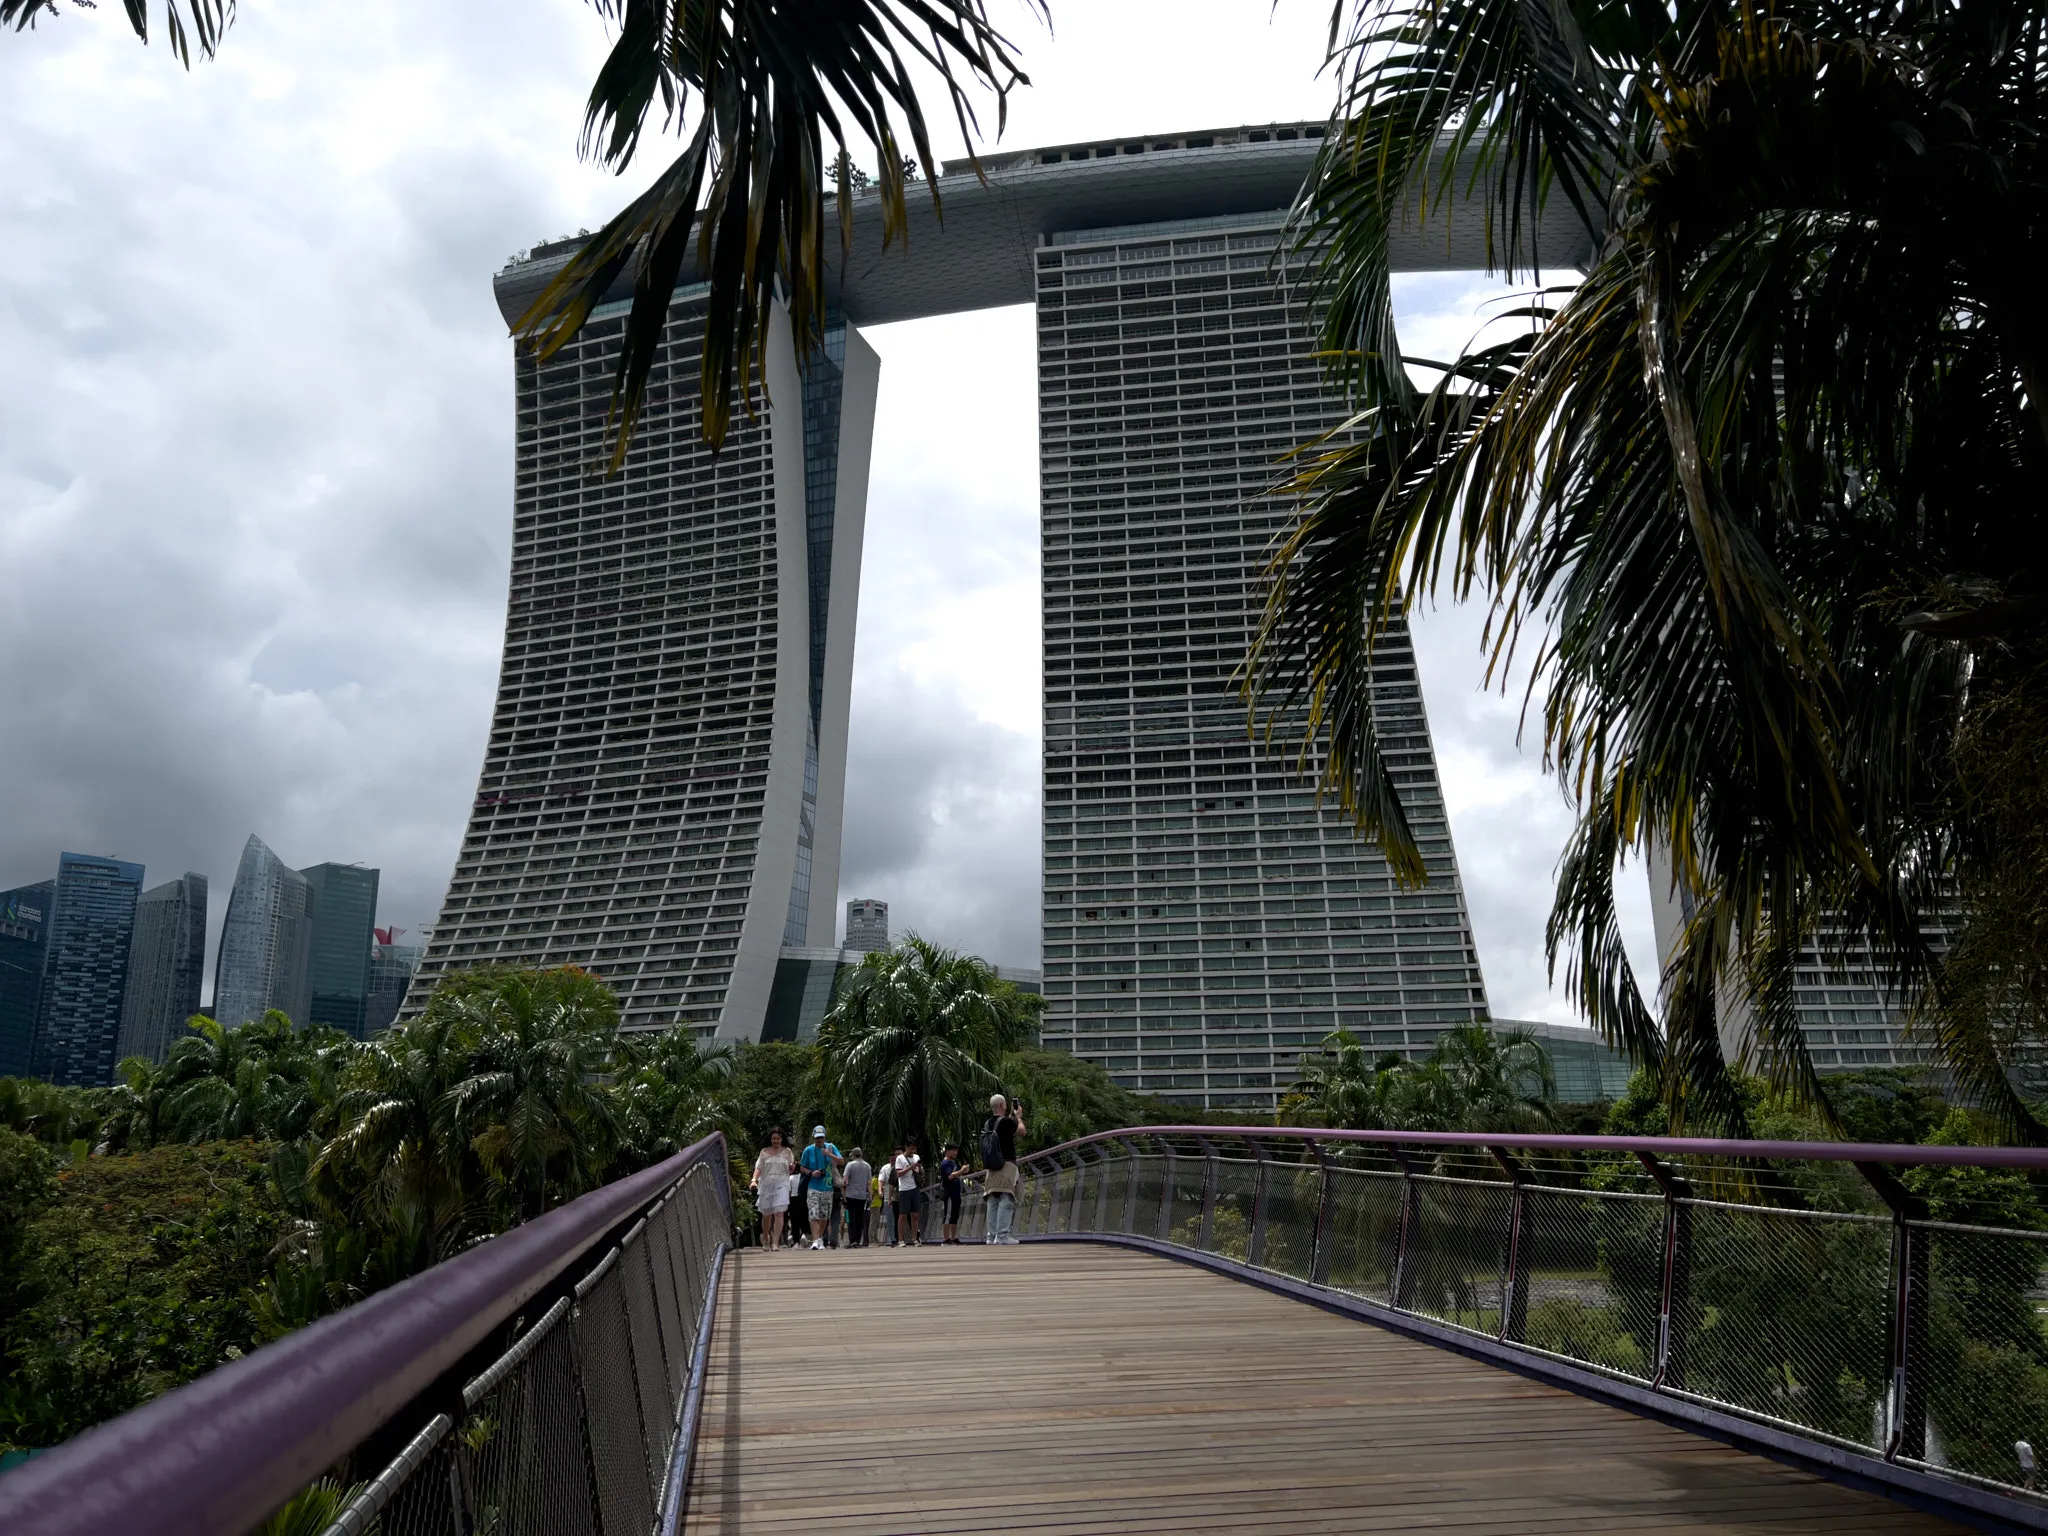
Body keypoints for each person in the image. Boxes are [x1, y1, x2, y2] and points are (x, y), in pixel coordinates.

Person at [981, 1094, 1025, 1245]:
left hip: (991, 1166)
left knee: (993, 1199)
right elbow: (1021, 1131)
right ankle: (1002, 1235)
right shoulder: (1006, 1122)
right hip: (1006, 1164)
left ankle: (991, 1236)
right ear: (1002, 1105)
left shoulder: (988, 1123)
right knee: (1007, 1198)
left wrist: (1012, 1116)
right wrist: (1018, 1117)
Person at [750, 1128, 796, 1251]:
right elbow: (759, 1168)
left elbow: (790, 1168)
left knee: (779, 1212)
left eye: (778, 1138)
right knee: (766, 1214)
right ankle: (766, 1238)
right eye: (773, 1138)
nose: (776, 1141)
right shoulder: (764, 1152)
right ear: (770, 1139)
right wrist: (754, 1180)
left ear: (782, 1139)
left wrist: (792, 1168)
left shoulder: (787, 1152)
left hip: (782, 1184)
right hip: (766, 1184)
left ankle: (775, 1242)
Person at [799, 1125, 842, 1251]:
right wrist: (811, 1173)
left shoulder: (831, 1147)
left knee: (824, 1215)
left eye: (821, 1138)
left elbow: (841, 1161)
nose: (819, 1140)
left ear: (825, 1137)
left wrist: (829, 1154)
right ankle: (815, 1240)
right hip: (813, 1186)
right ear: (814, 1138)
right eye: (817, 1138)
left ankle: (819, 1239)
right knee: (813, 1214)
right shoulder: (808, 1150)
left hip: (827, 1187)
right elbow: (802, 1167)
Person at [893, 1138, 925, 1247]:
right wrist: (910, 1167)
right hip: (904, 1189)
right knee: (903, 1215)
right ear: (906, 1147)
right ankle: (901, 1239)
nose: (912, 1151)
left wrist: (919, 1168)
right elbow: (898, 1174)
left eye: (914, 1149)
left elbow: (920, 1172)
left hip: (915, 1188)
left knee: (915, 1214)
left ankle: (914, 1238)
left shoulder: (916, 1157)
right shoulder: (900, 1159)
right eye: (911, 1148)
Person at [841, 1147, 872, 1248]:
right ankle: (858, 1240)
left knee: (850, 1218)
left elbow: (845, 1181)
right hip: (862, 1196)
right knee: (859, 1218)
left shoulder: (850, 1165)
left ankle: (852, 1239)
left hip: (850, 1195)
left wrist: (844, 1195)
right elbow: (869, 1183)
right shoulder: (867, 1166)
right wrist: (870, 1196)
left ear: (853, 1155)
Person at [939, 1141, 965, 1244]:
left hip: (956, 1192)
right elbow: (949, 1176)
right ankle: (946, 1238)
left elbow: (955, 1175)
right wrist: (961, 1171)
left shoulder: (953, 1163)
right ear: (947, 1151)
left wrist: (962, 1171)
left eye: (956, 1151)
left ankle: (954, 1237)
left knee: (955, 1215)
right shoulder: (945, 1163)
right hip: (949, 1193)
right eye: (953, 1150)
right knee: (948, 1215)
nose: (955, 1153)